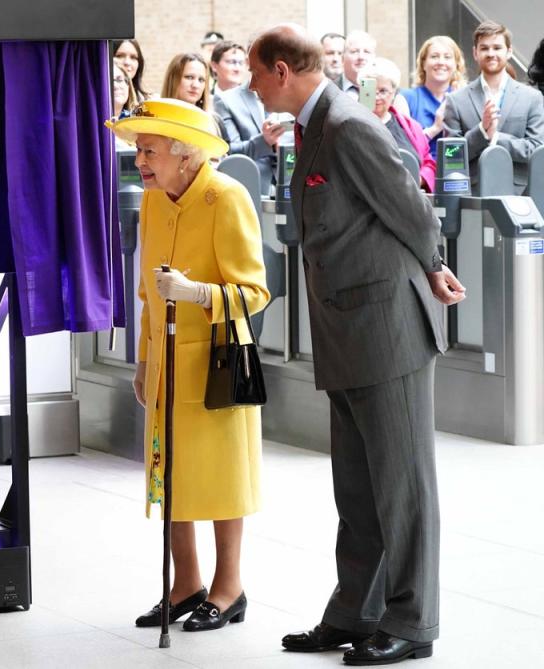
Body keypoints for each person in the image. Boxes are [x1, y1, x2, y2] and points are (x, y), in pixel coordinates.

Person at [248, 24, 466, 665]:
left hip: (386, 328)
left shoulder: (347, 125)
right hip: (346, 328)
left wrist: (432, 264)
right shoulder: (314, 126)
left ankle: (412, 623)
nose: (255, 86)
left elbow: (408, 203)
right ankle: (355, 613)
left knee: (402, 487)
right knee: (359, 487)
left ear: (282, 70)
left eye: (258, 73)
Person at [105, 98, 269, 633]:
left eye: (149, 151)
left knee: (221, 477)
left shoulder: (226, 197)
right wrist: (143, 361)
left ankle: (229, 587)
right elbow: (149, 294)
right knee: (168, 473)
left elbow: (255, 292)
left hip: (217, 365)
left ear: (185, 155)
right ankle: (186, 584)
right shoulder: (155, 200)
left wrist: (198, 292)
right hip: (165, 363)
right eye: (138, 151)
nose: (140, 162)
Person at [443, 21, 544, 195]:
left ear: (509, 51)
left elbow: (537, 149)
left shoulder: (532, 98)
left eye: (497, 48)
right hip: (472, 195)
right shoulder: (455, 101)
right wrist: (481, 131)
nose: (491, 54)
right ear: (475, 53)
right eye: (484, 48)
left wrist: (496, 137)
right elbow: (451, 158)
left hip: (521, 194)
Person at [363, 58, 437, 192]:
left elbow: (428, 162)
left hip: (409, 200)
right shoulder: (353, 126)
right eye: (371, 90)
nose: (376, 96)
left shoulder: (410, 126)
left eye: (383, 91)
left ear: (394, 93)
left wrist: (419, 179)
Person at [214, 73, 283, 195]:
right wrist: (265, 142)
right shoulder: (226, 100)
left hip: (289, 189)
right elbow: (229, 152)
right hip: (250, 191)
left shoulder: (291, 96)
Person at [402, 35, 468, 159]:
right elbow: (404, 149)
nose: (441, 62)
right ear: (423, 63)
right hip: (417, 175)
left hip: (454, 172)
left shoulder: (464, 100)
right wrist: (435, 128)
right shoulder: (405, 98)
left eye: (447, 57)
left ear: (456, 65)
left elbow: (467, 149)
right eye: (434, 56)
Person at [162, 53, 228, 152]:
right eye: (189, 77)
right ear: (173, 79)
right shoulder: (157, 120)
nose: (195, 85)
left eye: (201, 80)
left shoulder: (215, 123)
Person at [337, 30, 376, 99]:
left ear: (374, 58)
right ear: (343, 58)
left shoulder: (387, 92)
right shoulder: (329, 90)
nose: (361, 57)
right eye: (354, 51)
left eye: (366, 52)